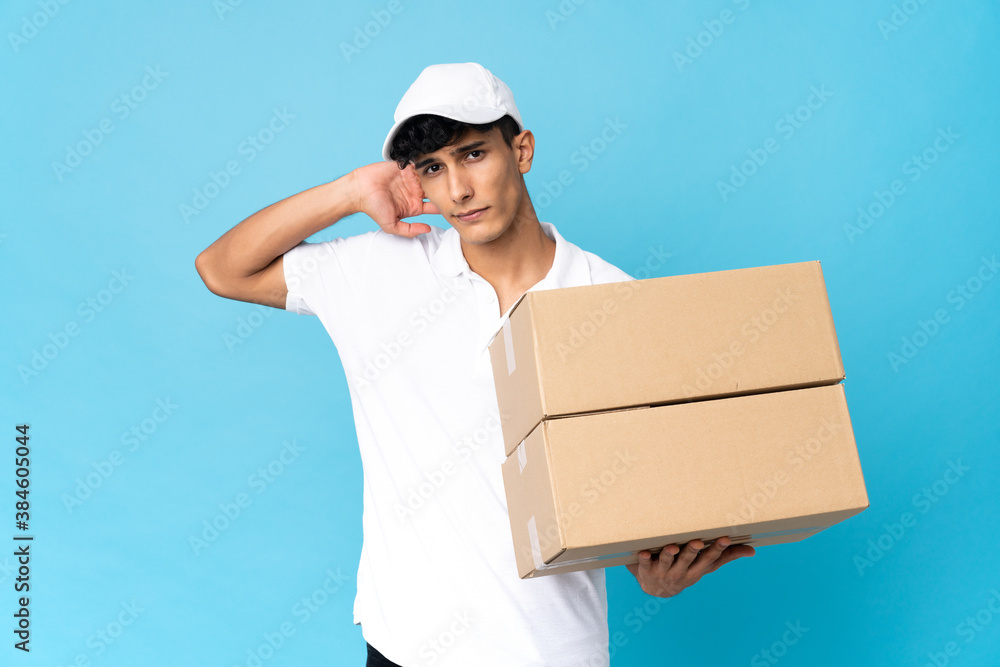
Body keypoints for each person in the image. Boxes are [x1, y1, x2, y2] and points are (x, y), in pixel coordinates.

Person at [195, 62, 754, 667]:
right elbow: (222, 269)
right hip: (406, 647)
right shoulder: (379, 270)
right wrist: (352, 190)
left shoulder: (610, 299)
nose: (457, 189)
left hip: (552, 651)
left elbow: (622, 484)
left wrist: (653, 571)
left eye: (473, 155)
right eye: (433, 168)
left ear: (522, 149)